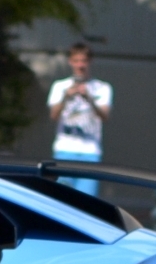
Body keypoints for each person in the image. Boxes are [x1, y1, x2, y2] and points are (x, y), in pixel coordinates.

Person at [46, 43, 113, 195]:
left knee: (87, 201)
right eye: (76, 61)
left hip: (90, 152)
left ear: (90, 62)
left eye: (83, 61)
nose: (80, 65)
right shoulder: (60, 86)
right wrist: (66, 97)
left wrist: (89, 98)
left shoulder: (102, 88)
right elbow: (53, 116)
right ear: (70, 62)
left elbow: (105, 116)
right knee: (61, 197)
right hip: (64, 150)